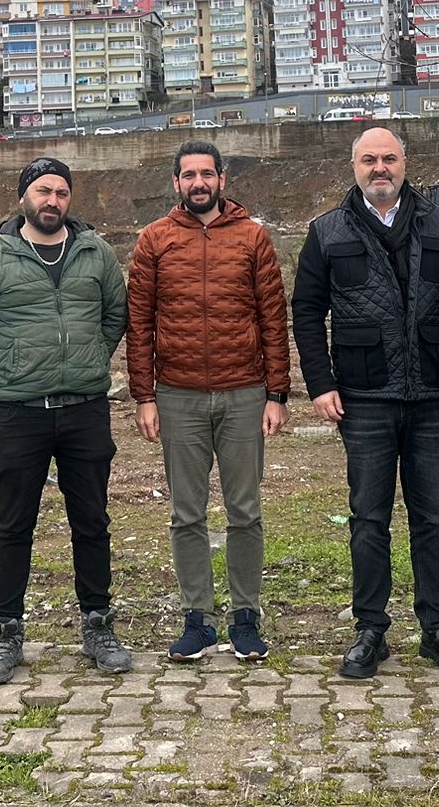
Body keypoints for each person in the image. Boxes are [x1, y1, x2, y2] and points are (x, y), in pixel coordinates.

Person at [291, 126, 439, 680]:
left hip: (432, 396)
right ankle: (371, 630)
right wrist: (320, 383)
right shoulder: (326, 232)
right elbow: (307, 315)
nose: (379, 168)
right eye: (369, 160)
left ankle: (437, 629)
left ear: (405, 165)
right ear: (354, 167)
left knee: (432, 517)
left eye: (388, 159)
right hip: (363, 400)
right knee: (369, 518)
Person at [0, 156, 133, 685]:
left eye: (62, 193)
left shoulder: (96, 253)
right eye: (43, 191)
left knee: (92, 521)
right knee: (13, 524)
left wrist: (90, 361)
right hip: (17, 415)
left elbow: (115, 316)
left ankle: (98, 626)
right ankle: (6, 633)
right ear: (24, 196)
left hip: (85, 411)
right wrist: (7, 373)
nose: (53, 201)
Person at [127, 141, 290, 663]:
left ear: (223, 178)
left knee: (245, 512)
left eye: (207, 174)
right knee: (186, 514)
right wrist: (144, 397)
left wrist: (277, 393)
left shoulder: (253, 238)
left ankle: (245, 617)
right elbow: (139, 325)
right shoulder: (153, 241)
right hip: (178, 398)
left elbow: (273, 318)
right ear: (176, 183)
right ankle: (197, 619)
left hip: (244, 393)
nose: (199, 183)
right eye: (188, 175)